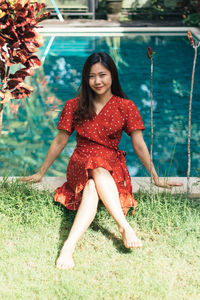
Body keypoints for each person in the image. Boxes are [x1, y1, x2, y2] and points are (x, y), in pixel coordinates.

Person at [21, 52, 182, 270]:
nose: (97, 81)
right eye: (92, 76)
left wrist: (155, 176)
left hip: (112, 166)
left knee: (91, 187)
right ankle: (124, 226)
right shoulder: (74, 105)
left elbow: (139, 144)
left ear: (112, 75)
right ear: (86, 79)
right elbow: (60, 141)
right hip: (81, 161)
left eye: (102, 75)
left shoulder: (126, 106)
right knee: (94, 164)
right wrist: (40, 172)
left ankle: (68, 246)